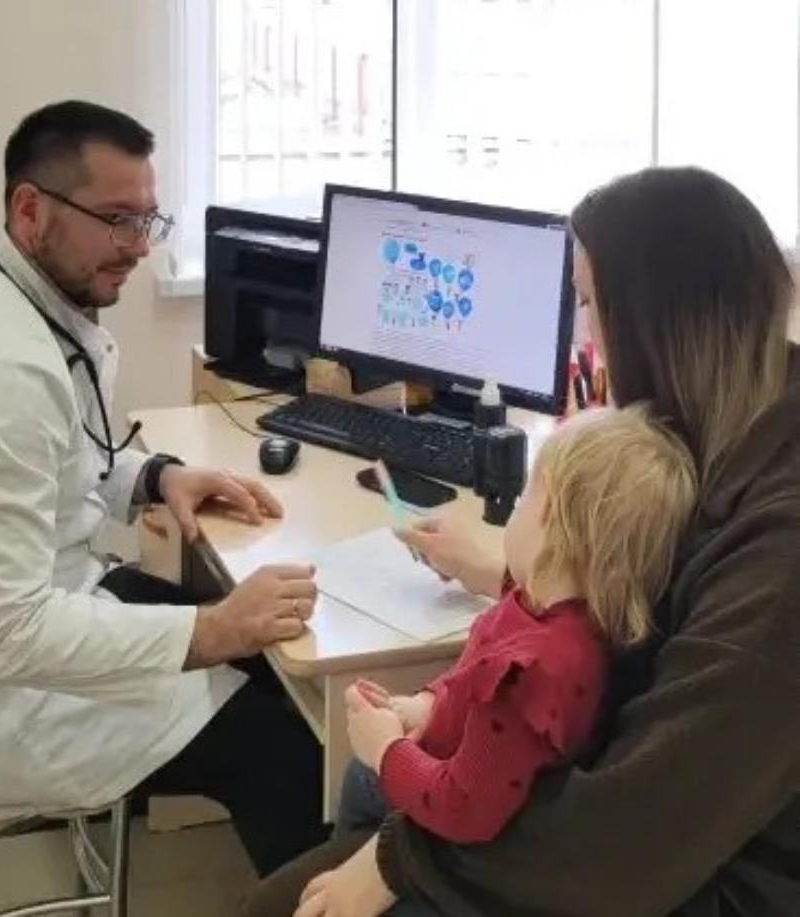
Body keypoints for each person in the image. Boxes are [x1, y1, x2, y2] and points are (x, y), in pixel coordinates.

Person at [243, 166, 800, 915]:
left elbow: (637, 835)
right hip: (615, 829)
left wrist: (399, 860)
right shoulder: (731, 429)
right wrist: (504, 573)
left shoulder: (780, 547)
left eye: (590, 304)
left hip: (688, 877)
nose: (587, 336)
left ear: (653, 322)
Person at [0, 100, 328, 876]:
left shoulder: (8, 292)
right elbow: (6, 633)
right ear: (31, 211)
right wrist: (213, 630)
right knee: (281, 748)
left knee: (270, 659)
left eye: (148, 221)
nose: (140, 248)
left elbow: (57, 464)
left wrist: (157, 476)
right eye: (118, 220)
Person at [245, 404, 697, 916]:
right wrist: (428, 705)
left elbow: (466, 809)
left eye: (525, 497)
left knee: (365, 777)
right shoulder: (557, 609)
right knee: (358, 780)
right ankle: (351, 853)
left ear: (553, 523)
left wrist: (388, 749)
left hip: (466, 829)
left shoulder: (533, 673)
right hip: (456, 771)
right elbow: (470, 676)